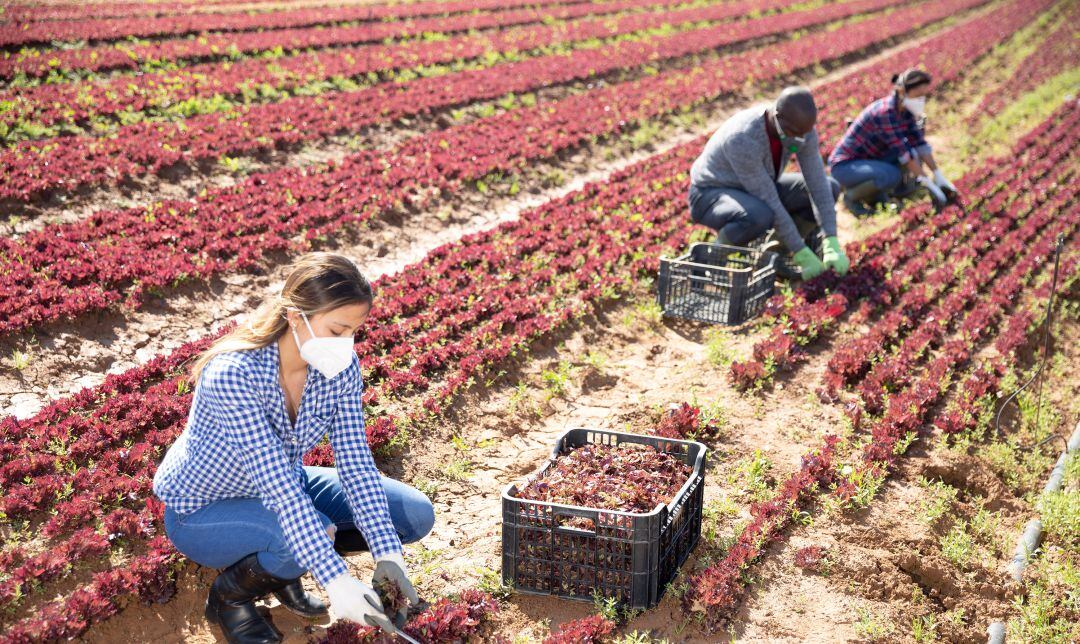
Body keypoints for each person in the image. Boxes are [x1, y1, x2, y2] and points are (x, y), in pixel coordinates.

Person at [152, 252, 435, 644]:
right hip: (204, 509)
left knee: (413, 514)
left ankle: (282, 571)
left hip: (285, 485)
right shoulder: (234, 375)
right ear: (295, 317)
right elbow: (280, 491)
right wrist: (335, 580)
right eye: (337, 330)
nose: (345, 344)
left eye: (353, 331)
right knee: (306, 532)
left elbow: (356, 463)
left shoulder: (339, 369)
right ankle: (230, 599)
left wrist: (388, 554)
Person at [688, 86, 848, 280]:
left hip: (755, 187)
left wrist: (831, 239)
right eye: (793, 133)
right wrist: (801, 251)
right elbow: (769, 199)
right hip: (711, 194)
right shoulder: (743, 138)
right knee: (759, 215)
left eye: (803, 134)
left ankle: (776, 253)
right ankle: (709, 259)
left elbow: (817, 182)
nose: (799, 140)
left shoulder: (802, 131)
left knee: (830, 188)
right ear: (777, 116)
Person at [829, 68, 959, 215]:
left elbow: (919, 144)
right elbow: (904, 153)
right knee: (891, 175)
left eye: (923, 96)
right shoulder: (886, 113)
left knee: (912, 154)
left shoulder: (906, 111)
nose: (921, 100)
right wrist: (928, 182)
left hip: (870, 161)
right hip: (846, 167)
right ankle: (852, 197)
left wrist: (938, 175)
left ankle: (880, 194)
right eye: (917, 96)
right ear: (902, 92)